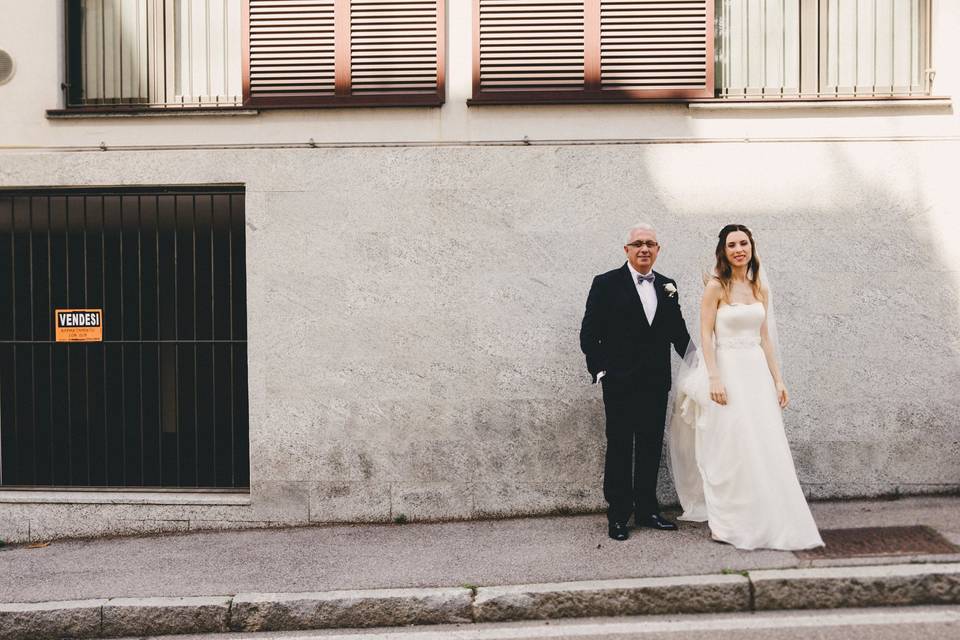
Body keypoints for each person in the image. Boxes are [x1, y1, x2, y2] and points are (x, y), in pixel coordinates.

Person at [669, 224, 824, 550]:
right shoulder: (716, 287)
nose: (738, 249)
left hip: (755, 373)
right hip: (727, 371)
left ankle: (765, 511)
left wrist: (778, 379)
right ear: (723, 252)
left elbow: (765, 338)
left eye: (743, 243)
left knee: (762, 440)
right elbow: (706, 336)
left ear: (751, 247)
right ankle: (726, 521)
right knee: (728, 444)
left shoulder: (759, 288)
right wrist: (713, 377)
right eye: (732, 245)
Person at [580, 223, 692, 541]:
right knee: (619, 448)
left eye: (650, 244)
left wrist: (703, 368)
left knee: (649, 447)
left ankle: (647, 510)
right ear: (626, 249)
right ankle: (618, 516)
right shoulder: (605, 284)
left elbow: (678, 334)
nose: (644, 248)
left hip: (655, 384)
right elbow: (589, 334)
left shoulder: (668, 286)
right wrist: (601, 371)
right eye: (638, 243)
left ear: (658, 250)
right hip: (619, 383)